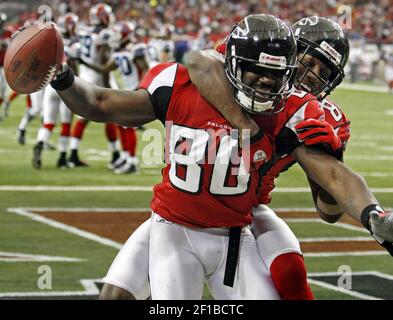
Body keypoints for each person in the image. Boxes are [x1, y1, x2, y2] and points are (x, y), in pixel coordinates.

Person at [49, 14, 393, 299]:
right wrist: (61, 76)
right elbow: (197, 63)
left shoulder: (298, 111)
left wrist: (372, 214)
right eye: (309, 62)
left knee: (290, 273)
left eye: (324, 72)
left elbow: (333, 184)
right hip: (176, 218)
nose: (265, 82)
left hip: (239, 216)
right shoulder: (197, 79)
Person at [79, 21, 149, 174]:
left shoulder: (134, 48)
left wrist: (142, 88)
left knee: (129, 127)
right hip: (128, 91)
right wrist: (85, 62)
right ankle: (125, 157)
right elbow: (104, 69)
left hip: (136, 91)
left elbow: (145, 68)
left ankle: (132, 162)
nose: (115, 37)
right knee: (122, 124)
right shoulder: (120, 52)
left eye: (118, 34)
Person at [69, 3, 120, 168]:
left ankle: (73, 153)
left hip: (85, 75)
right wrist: (108, 84)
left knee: (83, 116)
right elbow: (104, 60)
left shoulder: (84, 31)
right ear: (103, 17)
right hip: (97, 75)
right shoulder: (105, 34)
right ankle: (116, 154)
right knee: (112, 114)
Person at [32, 13, 80, 169]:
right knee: (66, 124)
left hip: (50, 85)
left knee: (48, 123)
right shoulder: (74, 44)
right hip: (66, 86)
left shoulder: (51, 41)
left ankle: (40, 142)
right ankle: (62, 158)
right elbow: (74, 67)